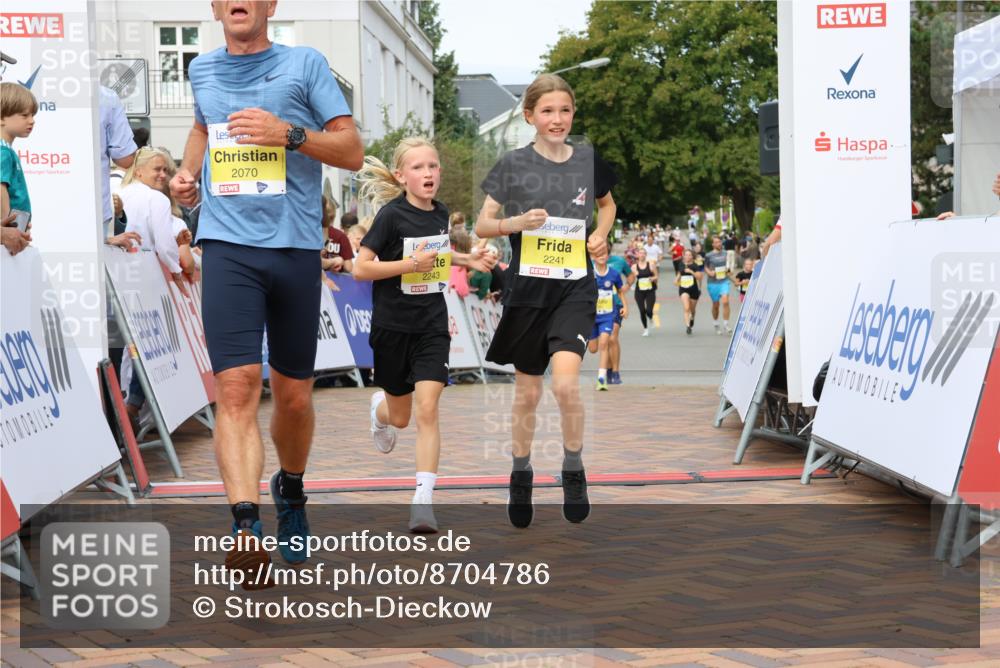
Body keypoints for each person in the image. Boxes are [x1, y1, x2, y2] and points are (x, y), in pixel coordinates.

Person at [168, 0, 364, 575]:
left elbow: (351, 151)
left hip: (295, 247)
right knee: (235, 388)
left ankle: (293, 492)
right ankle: (246, 523)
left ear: (270, 5)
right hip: (227, 247)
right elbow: (204, 127)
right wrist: (188, 177)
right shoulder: (201, 68)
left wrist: (289, 134)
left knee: (295, 395)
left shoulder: (305, 64)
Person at [474, 73, 616, 529]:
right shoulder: (513, 165)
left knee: (567, 386)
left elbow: (607, 205)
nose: (557, 119)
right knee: (528, 394)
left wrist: (598, 235)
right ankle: (520, 474)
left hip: (574, 288)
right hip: (527, 291)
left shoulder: (589, 160)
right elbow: (483, 225)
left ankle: (573, 469)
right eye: (548, 111)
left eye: (565, 110)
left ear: (573, 114)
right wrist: (517, 223)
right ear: (530, 115)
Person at [353, 137, 495, 533]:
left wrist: (469, 258)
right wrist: (407, 264)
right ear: (401, 176)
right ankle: (378, 412)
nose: (428, 173)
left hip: (432, 324)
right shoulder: (390, 217)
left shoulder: (442, 214)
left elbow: (439, 257)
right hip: (392, 327)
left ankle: (423, 501)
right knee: (400, 418)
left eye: (433, 166)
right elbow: (360, 268)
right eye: (418, 168)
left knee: (428, 408)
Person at [99, 86, 138, 237]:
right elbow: (125, 158)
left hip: (29, 206)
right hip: (93, 208)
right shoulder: (105, 96)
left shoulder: (23, 90)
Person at [588, 239, 627, 390]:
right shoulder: (589, 273)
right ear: (594, 257)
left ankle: (602, 379)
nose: (602, 256)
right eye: (598, 254)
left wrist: (624, 306)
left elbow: (620, 290)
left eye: (604, 253)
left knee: (605, 343)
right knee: (593, 349)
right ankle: (604, 375)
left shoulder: (614, 274)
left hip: (608, 315)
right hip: (592, 316)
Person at [1, 82, 35, 230]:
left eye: (32, 115)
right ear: (1, 117)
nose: (31, 121)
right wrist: (6, 225)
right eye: (24, 115)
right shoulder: (3, 152)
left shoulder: (8, 151)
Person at [605, 247, 633, 384]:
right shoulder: (590, 262)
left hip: (616, 304)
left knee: (612, 338)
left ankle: (615, 372)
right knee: (603, 341)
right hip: (598, 307)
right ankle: (608, 370)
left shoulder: (619, 261)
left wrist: (627, 286)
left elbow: (631, 276)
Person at [704, 235, 732, 334]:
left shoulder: (726, 253)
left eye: (719, 242)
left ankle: (726, 324)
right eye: (716, 242)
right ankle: (716, 322)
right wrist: (709, 272)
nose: (718, 244)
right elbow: (705, 267)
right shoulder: (708, 255)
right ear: (713, 244)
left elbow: (729, 265)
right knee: (716, 305)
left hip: (724, 281)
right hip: (713, 283)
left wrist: (729, 270)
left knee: (725, 301)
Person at [321, 196, 354, 274]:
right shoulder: (341, 236)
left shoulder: (309, 233)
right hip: (336, 280)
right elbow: (349, 267)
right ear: (334, 216)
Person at [674, 248, 703, 335]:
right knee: (686, 308)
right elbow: (680, 273)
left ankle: (692, 318)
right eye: (686, 255)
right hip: (683, 288)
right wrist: (676, 279)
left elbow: (699, 277)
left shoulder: (695, 265)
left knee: (692, 309)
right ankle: (688, 326)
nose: (687, 256)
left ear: (692, 256)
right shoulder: (681, 264)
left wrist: (691, 272)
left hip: (693, 289)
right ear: (683, 255)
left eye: (689, 255)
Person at [632, 246, 658, 336]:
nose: (642, 255)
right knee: (642, 310)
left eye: (644, 253)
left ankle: (650, 318)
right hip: (639, 291)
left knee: (649, 310)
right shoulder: (634, 267)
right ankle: (645, 329)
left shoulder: (651, 265)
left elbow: (656, 276)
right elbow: (631, 279)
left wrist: (652, 278)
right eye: (640, 253)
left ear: (646, 255)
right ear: (637, 255)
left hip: (650, 290)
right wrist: (634, 276)